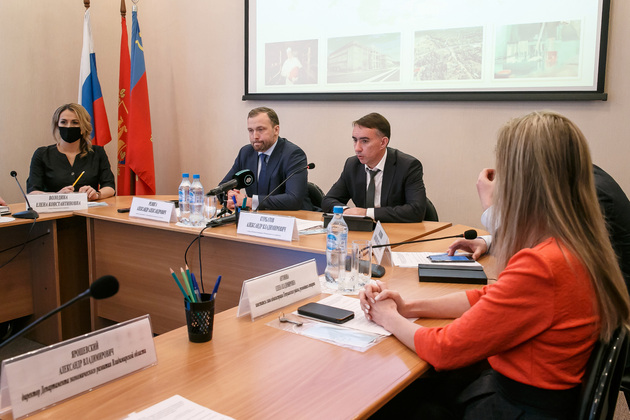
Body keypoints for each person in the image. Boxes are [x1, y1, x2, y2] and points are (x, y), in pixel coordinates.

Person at [360, 111, 630, 419]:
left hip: (517, 407)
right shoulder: (580, 245)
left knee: (394, 400)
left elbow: (443, 349)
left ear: (522, 183)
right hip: (542, 396)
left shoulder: (543, 264)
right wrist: (409, 307)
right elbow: (491, 297)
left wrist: (388, 317)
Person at [448, 165, 630, 290]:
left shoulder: (587, 194)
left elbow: (528, 262)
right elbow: (546, 236)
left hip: (610, 314)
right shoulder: (573, 176)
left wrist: (489, 206)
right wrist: (489, 242)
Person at [321, 112, 426, 223]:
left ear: (383, 142)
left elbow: (416, 210)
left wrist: (367, 213)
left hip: (397, 229)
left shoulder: (407, 166)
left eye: (364, 141)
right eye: (355, 140)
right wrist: (346, 211)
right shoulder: (352, 165)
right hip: (363, 230)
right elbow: (328, 200)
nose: (357, 148)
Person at [220, 107, 311, 211]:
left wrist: (249, 201)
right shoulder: (246, 153)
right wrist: (230, 196)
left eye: (260, 129)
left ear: (276, 130)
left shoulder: (293, 155)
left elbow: (293, 199)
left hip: (293, 217)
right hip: (256, 217)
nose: (255, 136)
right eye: (251, 130)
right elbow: (222, 188)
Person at [27, 103, 115, 201]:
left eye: (75, 122)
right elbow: (32, 192)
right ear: (57, 125)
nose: (68, 126)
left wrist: (97, 194)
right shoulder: (42, 154)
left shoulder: (97, 152)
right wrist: (57, 196)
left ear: (83, 127)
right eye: (63, 122)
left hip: (89, 209)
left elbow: (110, 187)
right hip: (55, 210)